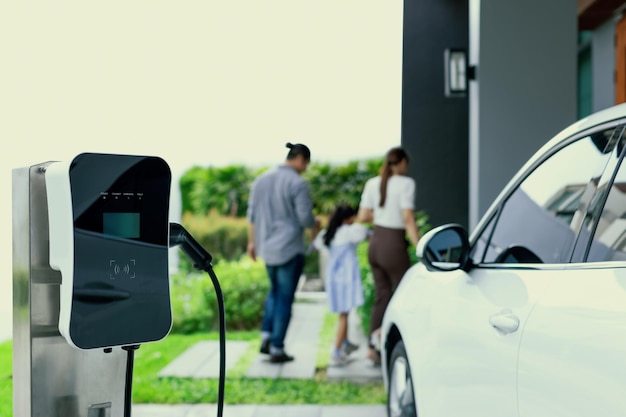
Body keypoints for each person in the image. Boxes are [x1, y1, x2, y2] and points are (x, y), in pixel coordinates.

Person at [246, 142, 319, 364]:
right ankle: (277, 347)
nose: (305, 168)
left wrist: (252, 243)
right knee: (285, 297)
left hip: (267, 247)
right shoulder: (298, 183)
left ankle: (267, 336)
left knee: (274, 292)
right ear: (300, 159)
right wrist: (317, 222)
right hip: (289, 248)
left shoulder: (261, 180)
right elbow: (305, 218)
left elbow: (252, 216)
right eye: (306, 163)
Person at [357, 146, 420, 365]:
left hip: (375, 244)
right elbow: (408, 218)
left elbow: (363, 216)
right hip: (393, 245)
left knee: (381, 296)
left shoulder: (372, 183)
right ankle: (402, 344)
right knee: (405, 294)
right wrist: (420, 246)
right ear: (401, 162)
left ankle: (371, 350)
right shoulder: (406, 184)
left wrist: (382, 212)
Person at [313, 204, 369, 366]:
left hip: (334, 278)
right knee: (344, 315)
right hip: (346, 278)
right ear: (348, 218)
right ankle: (336, 352)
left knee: (343, 312)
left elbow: (316, 245)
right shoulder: (351, 231)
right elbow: (363, 233)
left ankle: (345, 344)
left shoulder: (328, 234)